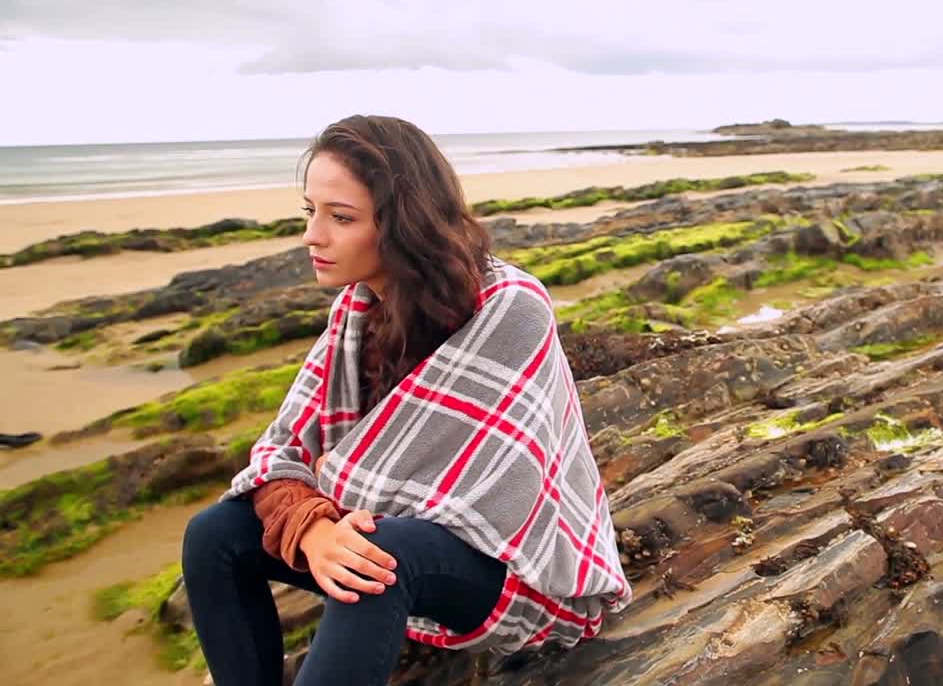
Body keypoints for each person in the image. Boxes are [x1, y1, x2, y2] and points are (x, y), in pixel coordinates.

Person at [181, 115, 633, 686]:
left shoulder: (508, 306)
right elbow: (279, 452)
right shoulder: (356, 310)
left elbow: (379, 489)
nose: (312, 236)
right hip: (389, 540)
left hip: (521, 574)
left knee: (378, 555)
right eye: (310, 211)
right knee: (214, 535)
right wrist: (314, 527)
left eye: (340, 217)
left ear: (404, 223)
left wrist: (326, 490)